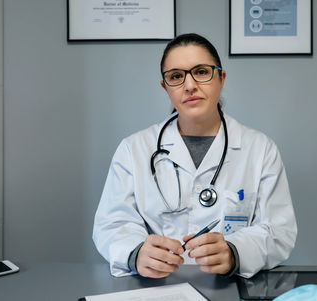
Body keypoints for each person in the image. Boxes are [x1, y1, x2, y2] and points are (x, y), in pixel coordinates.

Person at [93, 33, 297, 279]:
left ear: (221, 78)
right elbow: (111, 225)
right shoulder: (133, 149)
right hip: (155, 288)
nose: (190, 85)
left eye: (201, 72)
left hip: (228, 287)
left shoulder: (260, 149)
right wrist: (135, 253)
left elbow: (279, 231)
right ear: (165, 87)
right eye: (176, 76)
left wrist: (235, 251)